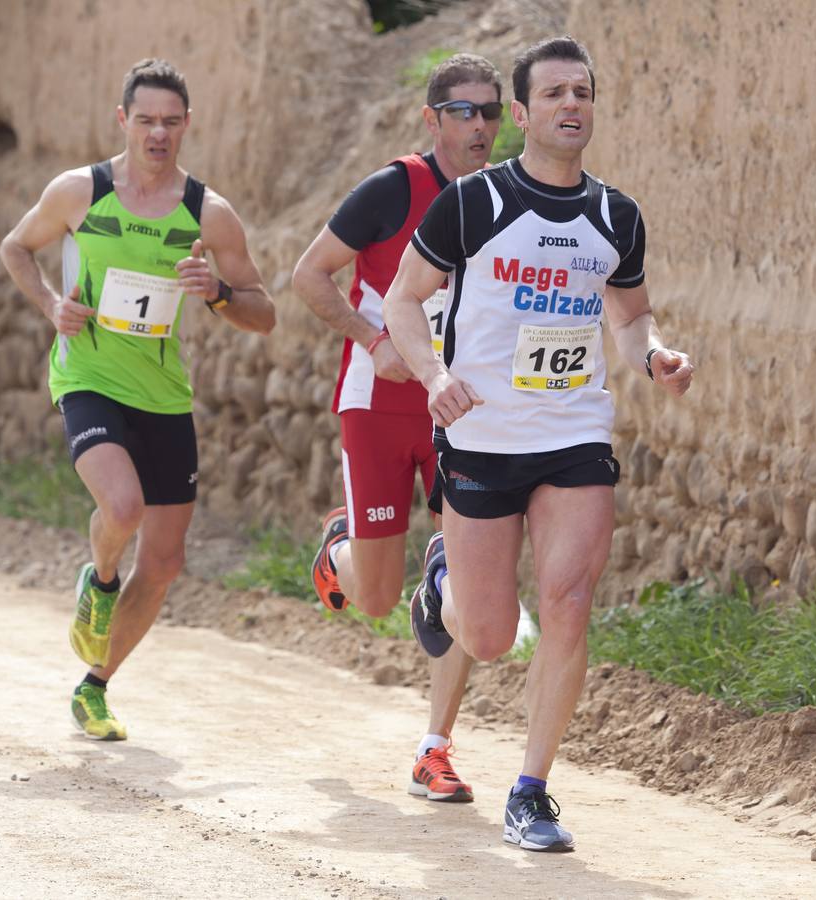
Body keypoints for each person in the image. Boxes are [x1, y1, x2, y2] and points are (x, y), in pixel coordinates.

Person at [383, 36, 694, 852]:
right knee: (487, 637)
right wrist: (432, 376)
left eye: (582, 92)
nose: (571, 105)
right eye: (553, 93)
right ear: (521, 114)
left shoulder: (615, 215)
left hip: (573, 433)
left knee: (567, 602)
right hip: (482, 436)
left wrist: (654, 355)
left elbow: (627, 317)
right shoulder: (474, 203)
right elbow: (403, 302)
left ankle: (533, 790)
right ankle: (442, 580)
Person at [0, 59, 276, 741]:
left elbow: (264, 312)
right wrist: (52, 305)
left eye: (170, 122)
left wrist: (214, 291)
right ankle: (98, 579)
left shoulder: (207, 214)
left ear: (188, 126)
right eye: (146, 120)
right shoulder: (79, 192)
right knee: (121, 507)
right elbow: (16, 248)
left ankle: (94, 687)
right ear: (123, 121)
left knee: (166, 561)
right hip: (88, 379)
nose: (158, 133)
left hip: (163, 395)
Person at [294, 53, 506, 803]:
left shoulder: (504, 197)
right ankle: (340, 546)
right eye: (463, 112)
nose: (479, 125)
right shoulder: (394, 188)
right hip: (379, 402)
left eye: (490, 111)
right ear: (432, 118)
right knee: (379, 600)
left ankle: (434, 749)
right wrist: (373, 337)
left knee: (469, 574)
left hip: (462, 410)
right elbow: (309, 274)